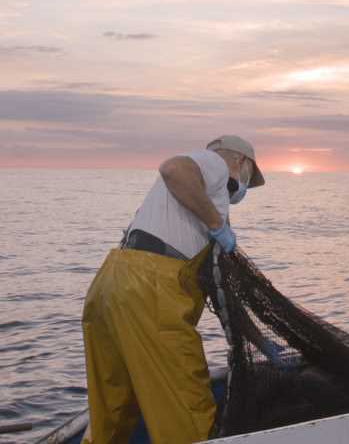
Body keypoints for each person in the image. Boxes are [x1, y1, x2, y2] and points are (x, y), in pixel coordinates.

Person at [81, 135, 265, 443]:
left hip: (111, 283)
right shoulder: (216, 164)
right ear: (241, 162)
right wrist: (217, 226)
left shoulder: (182, 203)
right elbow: (173, 169)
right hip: (151, 289)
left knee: (113, 410)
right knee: (187, 411)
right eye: (248, 178)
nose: (244, 186)